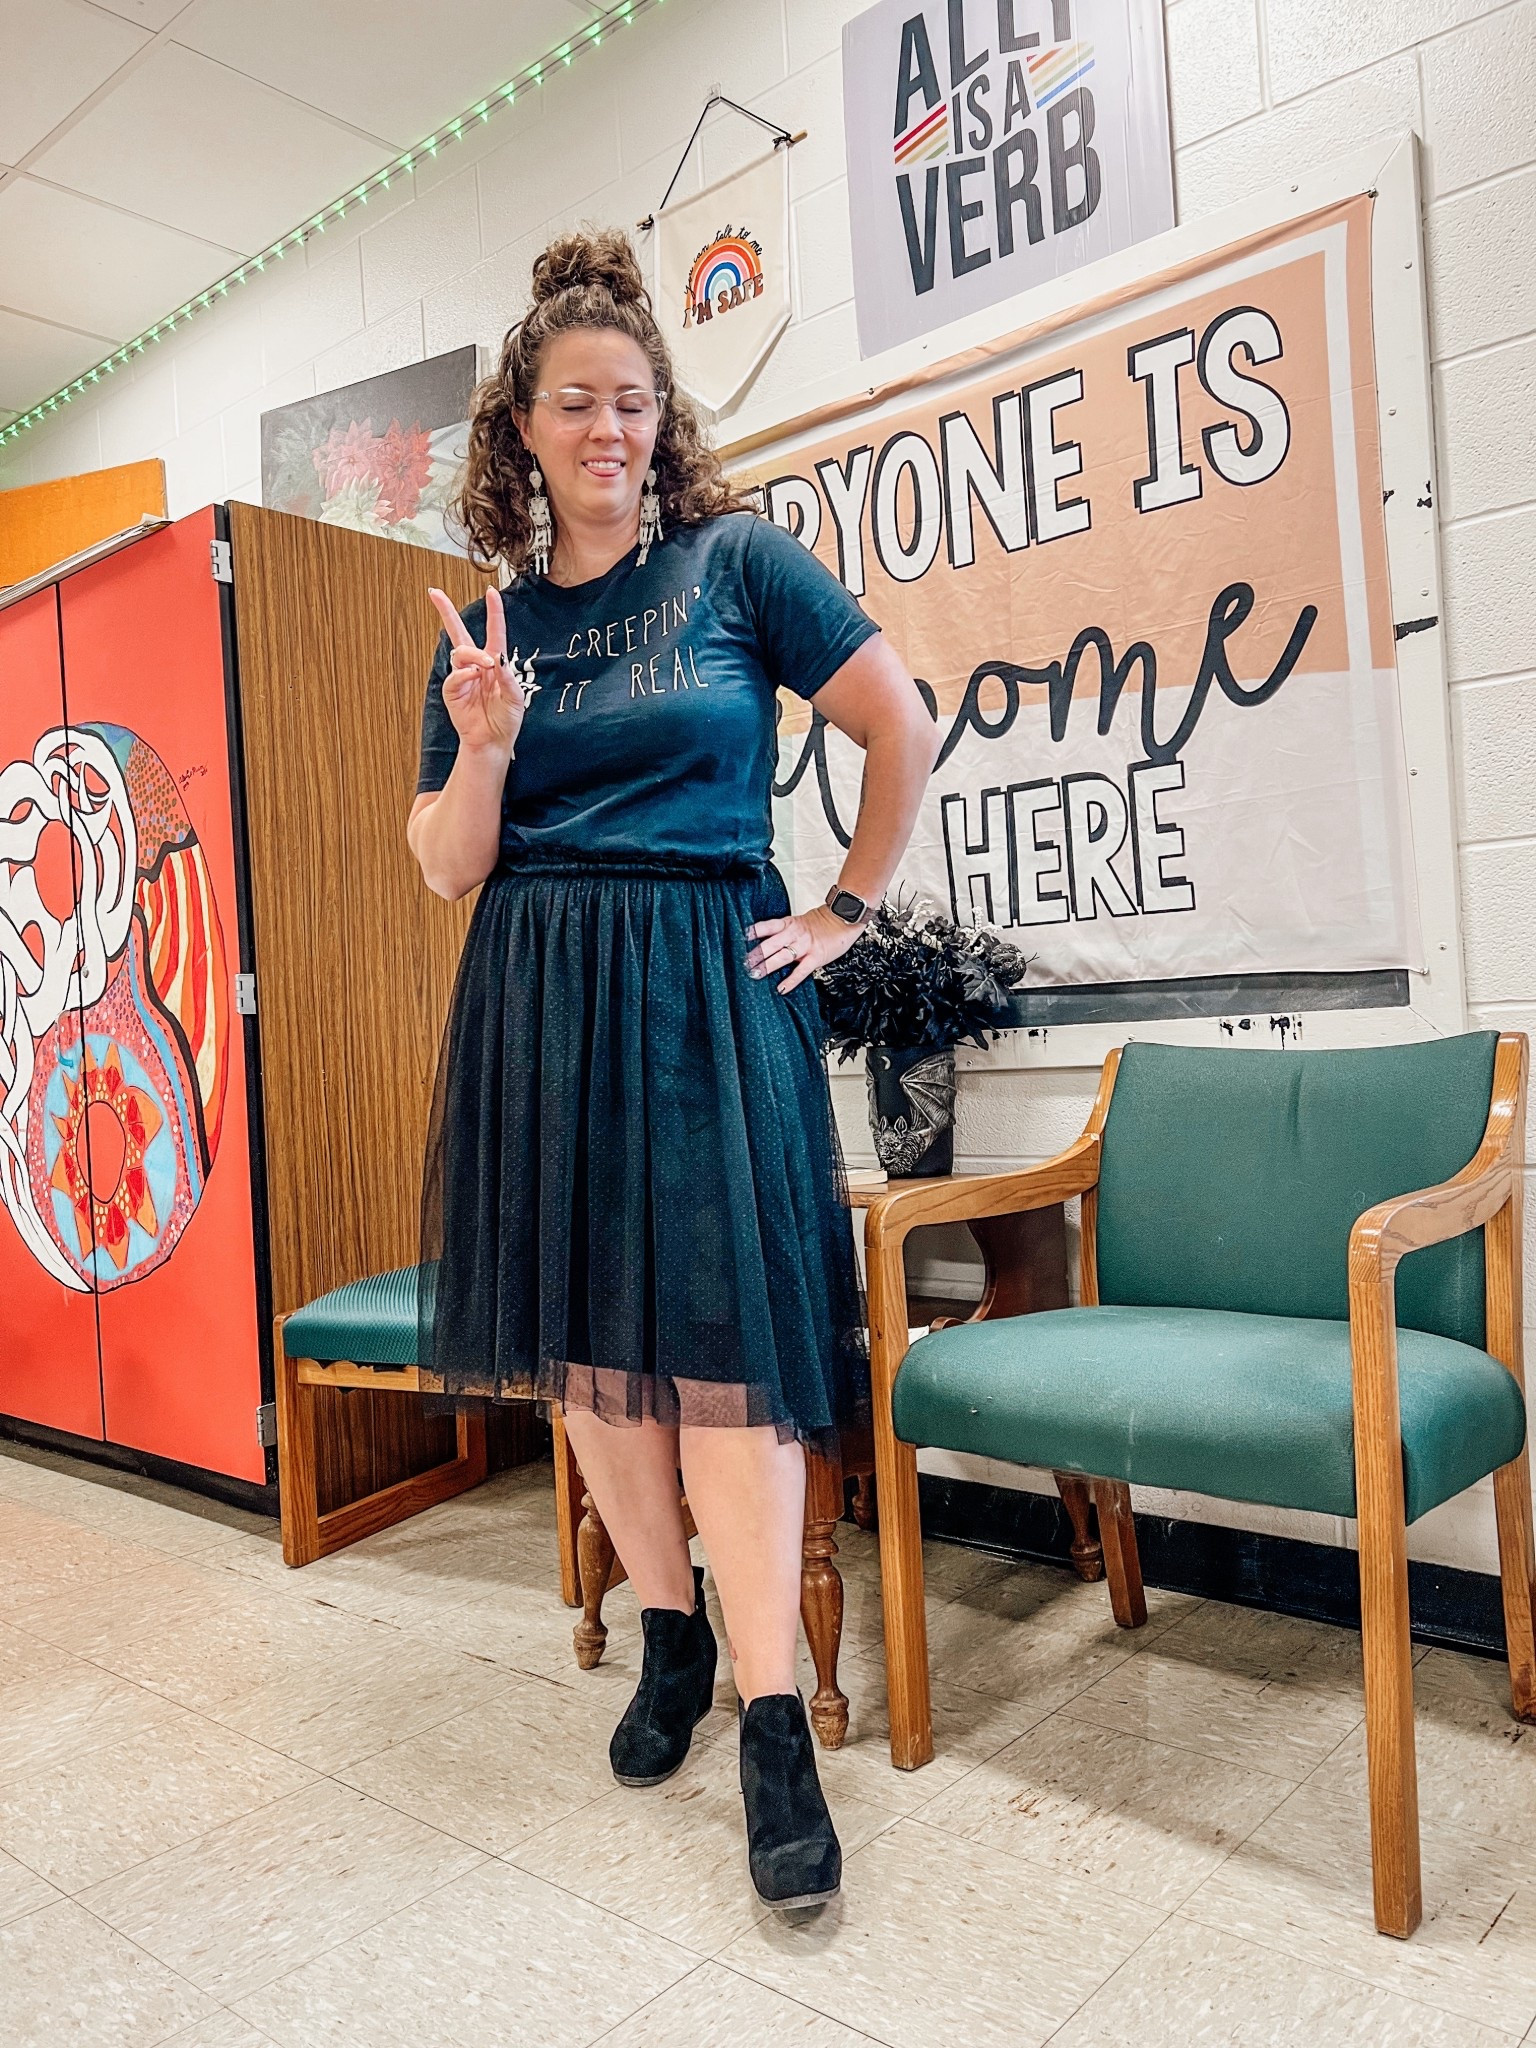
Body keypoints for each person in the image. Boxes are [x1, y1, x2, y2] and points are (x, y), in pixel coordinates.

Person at [407, 228, 938, 1911]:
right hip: (541, 995)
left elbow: (901, 722)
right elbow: (443, 863)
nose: (611, 429)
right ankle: (669, 1641)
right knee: (590, 1364)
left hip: (711, 987)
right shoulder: (492, 633)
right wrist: (484, 744)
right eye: (578, 403)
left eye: (635, 402)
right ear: (524, 426)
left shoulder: (739, 567)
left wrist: (847, 911)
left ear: (661, 420)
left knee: (724, 1361)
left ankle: (774, 1725)